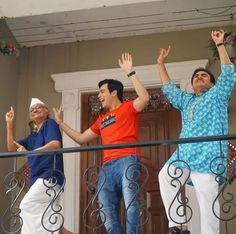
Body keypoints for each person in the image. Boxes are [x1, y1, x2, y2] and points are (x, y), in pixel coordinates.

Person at [53, 53, 149, 234]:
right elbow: (81, 138)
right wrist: (60, 122)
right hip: (107, 167)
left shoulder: (128, 107)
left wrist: (130, 72)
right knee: (106, 209)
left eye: (102, 91)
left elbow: (144, 98)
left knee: (131, 204)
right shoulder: (101, 119)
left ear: (114, 92)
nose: (99, 95)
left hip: (127, 160)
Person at [157, 29, 236, 234]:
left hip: (208, 155)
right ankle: (178, 226)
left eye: (204, 75)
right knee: (166, 174)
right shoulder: (187, 100)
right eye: (196, 76)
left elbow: (228, 72)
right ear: (192, 85)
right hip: (185, 155)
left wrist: (220, 44)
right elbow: (168, 88)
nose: (199, 77)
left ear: (211, 82)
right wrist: (160, 64)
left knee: (207, 202)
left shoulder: (218, 95)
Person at [5, 98, 64, 234]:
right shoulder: (32, 137)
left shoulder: (50, 124)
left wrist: (30, 152)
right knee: (50, 221)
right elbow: (11, 147)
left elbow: (55, 144)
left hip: (50, 176)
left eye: (38, 107)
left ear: (46, 111)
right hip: (37, 179)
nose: (34, 110)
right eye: (32, 109)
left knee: (26, 205)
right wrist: (9, 124)